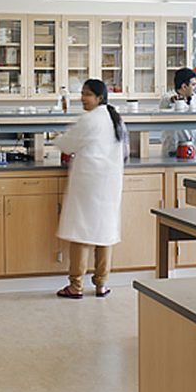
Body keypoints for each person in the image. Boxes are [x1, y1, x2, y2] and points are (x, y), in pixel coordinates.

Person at [57, 79, 128, 299]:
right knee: (104, 234)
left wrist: (58, 138)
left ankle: (76, 286)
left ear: (99, 97)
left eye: (87, 94)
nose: (82, 98)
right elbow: (124, 151)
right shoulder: (115, 119)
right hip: (109, 182)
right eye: (83, 93)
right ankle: (101, 285)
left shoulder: (90, 119)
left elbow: (66, 144)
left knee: (81, 232)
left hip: (89, 182)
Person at [160, 67, 196, 156]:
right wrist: (173, 99)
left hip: (194, 149)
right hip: (173, 150)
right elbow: (167, 100)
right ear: (184, 86)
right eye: (193, 85)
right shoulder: (168, 98)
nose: (195, 88)